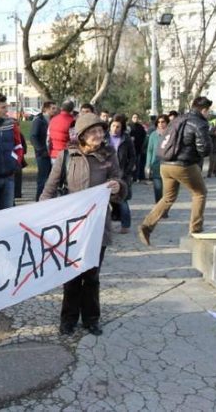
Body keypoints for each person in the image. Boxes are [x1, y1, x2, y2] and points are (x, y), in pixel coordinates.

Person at [40, 113, 126, 337]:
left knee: (92, 275)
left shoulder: (109, 154)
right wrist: (40, 216)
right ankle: (68, 319)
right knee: (71, 275)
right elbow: (50, 187)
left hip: (98, 225)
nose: (99, 135)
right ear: (82, 135)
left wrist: (119, 186)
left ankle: (91, 319)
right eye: (93, 131)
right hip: (72, 227)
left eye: (101, 130)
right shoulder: (67, 156)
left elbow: (121, 181)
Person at [139, 97, 213, 246]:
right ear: (204, 110)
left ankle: (146, 226)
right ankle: (195, 230)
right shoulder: (200, 123)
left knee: (167, 197)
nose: (209, 114)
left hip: (165, 164)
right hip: (184, 164)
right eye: (208, 111)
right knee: (200, 193)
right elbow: (204, 149)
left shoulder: (179, 119)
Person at [108, 114, 135, 234]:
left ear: (122, 128)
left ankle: (125, 225)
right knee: (105, 202)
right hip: (106, 173)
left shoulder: (126, 139)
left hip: (122, 174)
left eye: (118, 126)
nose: (115, 129)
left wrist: (128, 171)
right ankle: (106, 226)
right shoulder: (104, 138)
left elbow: (133, 156)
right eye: (113, 126)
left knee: (123, 200)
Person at [30, 101, 57, 201]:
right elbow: (33, 137)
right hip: (42, 154)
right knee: (43, 178)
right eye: (52, 108)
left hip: (52, 153)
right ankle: (39, 199)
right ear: (46, 109)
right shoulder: (38, 120)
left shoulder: (54, 120)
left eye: (55, 108)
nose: (55, 110)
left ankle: (49, 199)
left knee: (52, 178)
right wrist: (41, 150)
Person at [146, 115, 170, 216]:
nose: (161, 124)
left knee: (167, 190)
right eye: (159, 122)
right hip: (156, 166)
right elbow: (150, 151)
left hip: (168, 165)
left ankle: (164, 210)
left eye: (163, 122)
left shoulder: (170, 134)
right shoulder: (153, 135)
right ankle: (159, 209)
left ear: (167, 123)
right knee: (158, 189)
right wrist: (147, 165)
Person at [129, 113, 147, 182]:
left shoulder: (140, 127)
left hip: (138, 148)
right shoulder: (129, 126)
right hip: (130, 149)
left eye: (136, 117)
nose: (135, 119)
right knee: (131, 163)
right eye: (134, 117)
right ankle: (131, 176)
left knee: (137, 163)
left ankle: (136, 177)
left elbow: (144, 136)